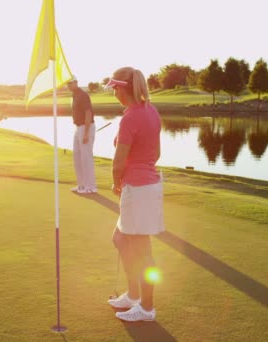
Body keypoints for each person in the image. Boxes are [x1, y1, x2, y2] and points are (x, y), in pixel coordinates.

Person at [105, 66, 165, 322]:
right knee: (120, 239)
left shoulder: (131, 118)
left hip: (137, 188)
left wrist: (116, 183)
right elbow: (157, 153)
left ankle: (147, 308)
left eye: (115, 87)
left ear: (123, 88)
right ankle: (133, 295)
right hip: (147, 186)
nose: (113, 91)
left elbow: (118, 163)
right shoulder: (150, 111)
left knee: (143, 251)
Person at [67, 75, 97, 194]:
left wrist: (86, 133)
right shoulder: (74, 95)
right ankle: (81, 185)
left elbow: (88, 113)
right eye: (68, 83)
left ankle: (91, 186)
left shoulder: (83, 95)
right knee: (77, 157)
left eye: (71, 83)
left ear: (76, 82)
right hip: (78, 127)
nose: (69, 85)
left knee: (86, 158)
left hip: (86, 127)